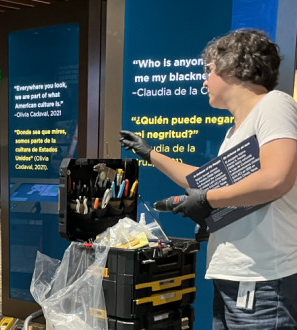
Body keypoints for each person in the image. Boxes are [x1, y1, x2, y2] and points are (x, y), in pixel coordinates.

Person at [121, 29, 297, 329]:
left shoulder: (274, 105)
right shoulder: (235, 131)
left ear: (232, 68)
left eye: (209, 71)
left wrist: (205, 200)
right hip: (236, 277)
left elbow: (277, 178)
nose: (204, 81)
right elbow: (206, 183)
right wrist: (151, 154)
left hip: (262, 279)